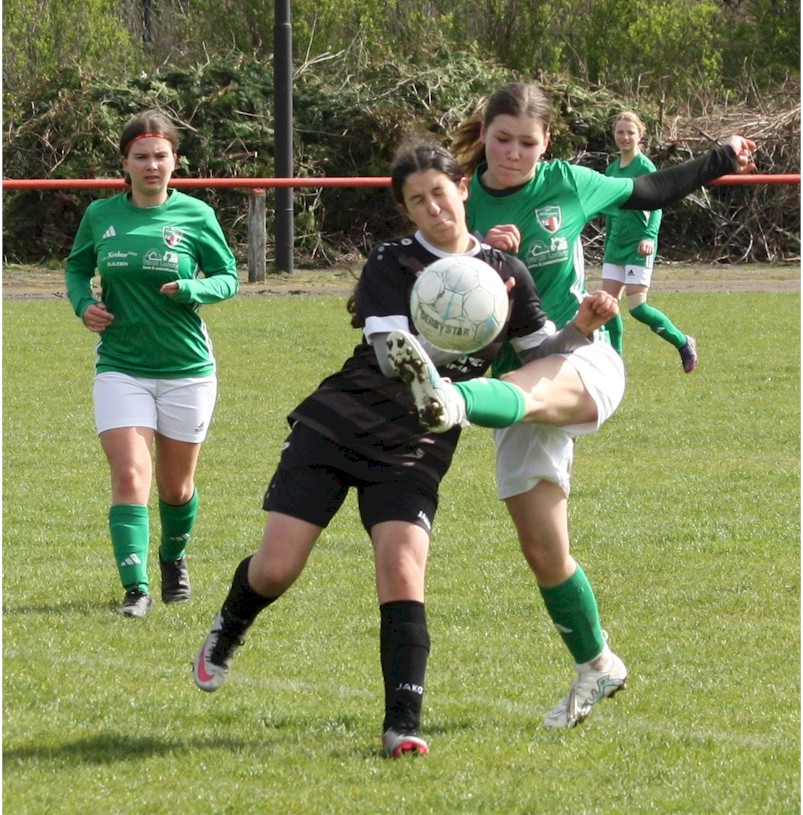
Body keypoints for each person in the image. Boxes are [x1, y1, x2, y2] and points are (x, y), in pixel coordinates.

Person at [191, 139, 619, 758]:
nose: (433, 208)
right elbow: (396, 356)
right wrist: (450, 355)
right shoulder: (392, 262)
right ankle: (231, 624)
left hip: (418, 443)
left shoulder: (506, 274)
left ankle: (402, 727)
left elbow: (535, 361)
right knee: (277, 568)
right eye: (417, 201)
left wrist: (578, 330)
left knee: (402, 570)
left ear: (462, 190)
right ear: (407, 210)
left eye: (440, 193)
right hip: (338, 426)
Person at [442, 81, 755, 729]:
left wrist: (718, 158)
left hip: (581, 358)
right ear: (487, 132)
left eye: (527, 142)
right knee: (542, 550)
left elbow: (647, 193)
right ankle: (596, 664)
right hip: (511, 384)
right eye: (502, 139)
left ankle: (446, 402)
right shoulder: (459, 196)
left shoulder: (568, 182)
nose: (512, 153)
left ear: (546, 142)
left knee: (501, 395)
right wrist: (474, 252)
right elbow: (436, 285)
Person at [65, 110, 239, 619]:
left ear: (174, 162)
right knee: (129, 476)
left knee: (175, 487)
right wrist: (83, 304)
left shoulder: (196, 216)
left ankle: (173, 557)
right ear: (125, 163)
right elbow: (77, 267)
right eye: (141, 156)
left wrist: (194, 287)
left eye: (160, 155)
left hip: (187, 368)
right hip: (121, 365)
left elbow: (228, 277)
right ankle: (135, 586)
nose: (151, 164)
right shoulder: (101, 215)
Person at [601, 111, 697, 370]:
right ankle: (615, 363)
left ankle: (683, 341)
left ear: (640, 135)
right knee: (608, 307)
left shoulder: (644, 167)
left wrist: (649, 236)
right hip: (616, 245)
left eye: (630, 132)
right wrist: (608, 241)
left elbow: (657, 205)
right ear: (614, 135)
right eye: (620, 132)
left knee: (637, 308)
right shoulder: (611, 170)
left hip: (638, 245)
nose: (624, 137)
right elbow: (611, 209)